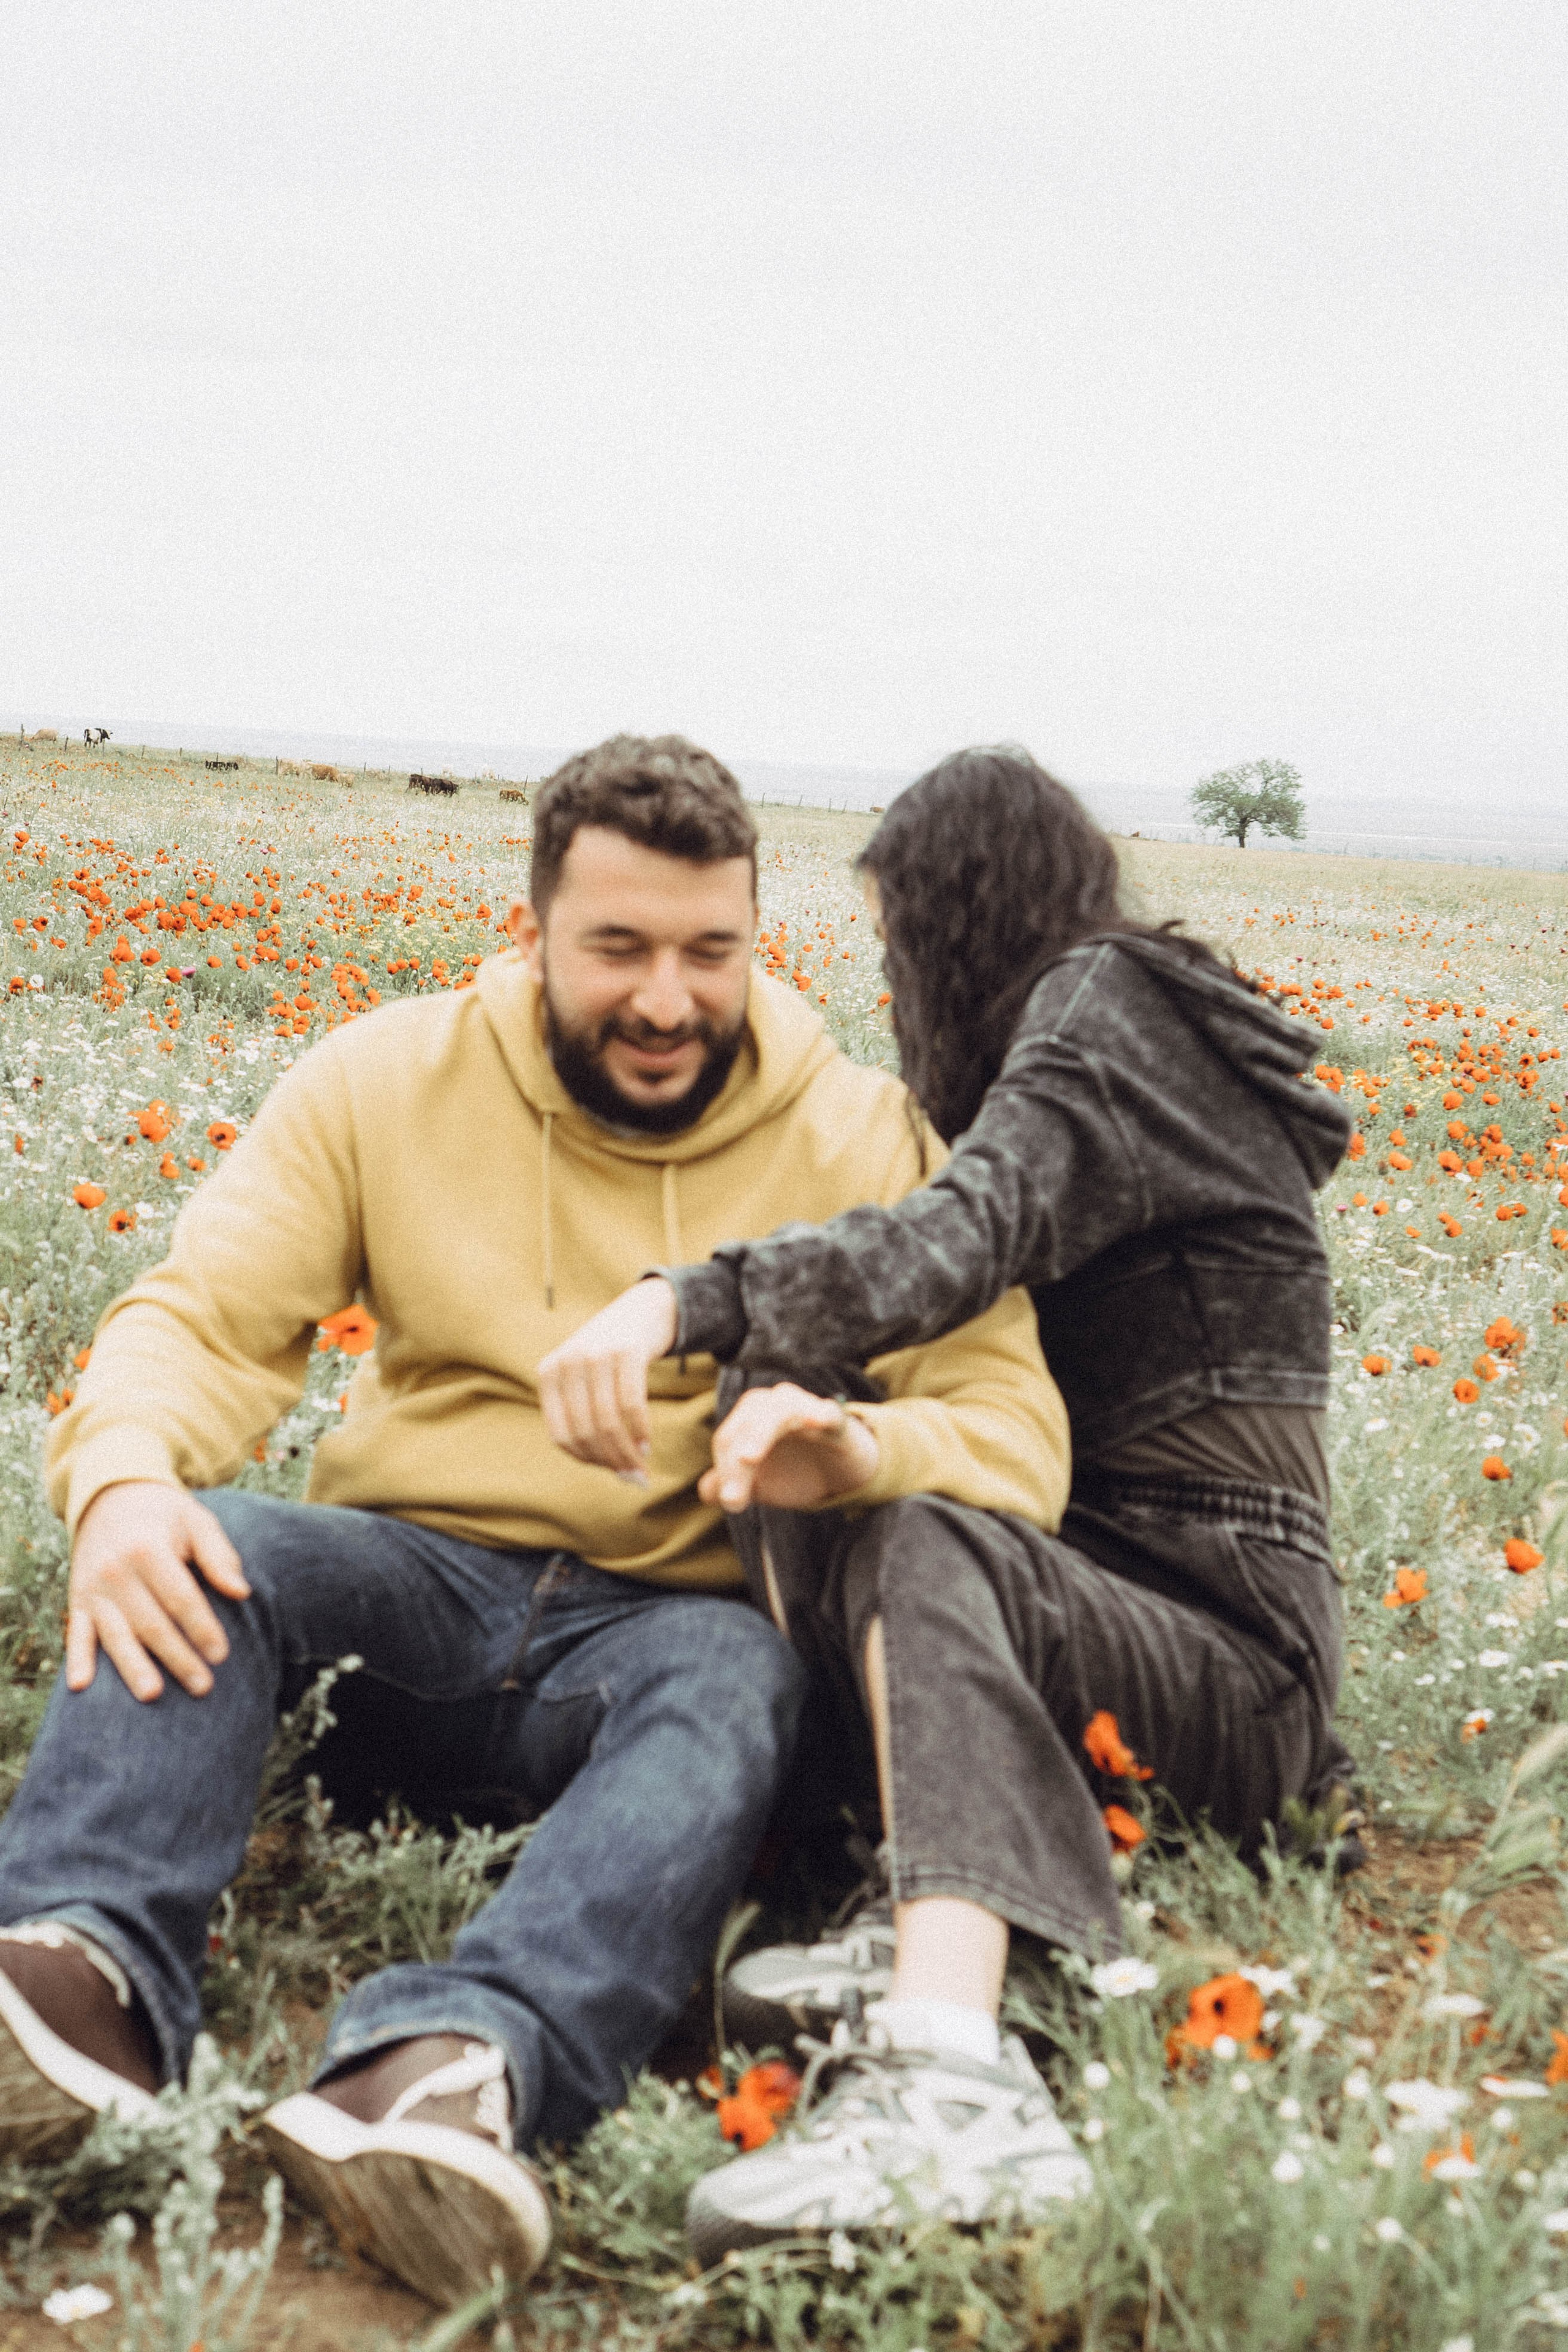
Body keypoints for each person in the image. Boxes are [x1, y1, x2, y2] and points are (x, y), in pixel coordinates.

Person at [0, 735, 1075, 2310]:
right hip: (404, 1590)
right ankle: (72, 1981)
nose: (664, 999)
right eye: (617, 950)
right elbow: (206, 1320)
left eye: (709, 953)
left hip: (661, 1637)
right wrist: (124, 1478)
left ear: (755, 942)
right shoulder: (386, 1077)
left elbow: (1011, 1437)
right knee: (202, 1539)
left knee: (737, 1682)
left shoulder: (863, 1139)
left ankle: (453, 2069)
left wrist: (855, 1447)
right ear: (532, 934)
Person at [538, 746, 1358, 2260]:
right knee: (798, 1392)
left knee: (915, 1514)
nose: (893, 982)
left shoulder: (1108, 1012)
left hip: (1236, 1652)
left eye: (894, 940)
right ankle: (912, 1886)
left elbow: (957, 1237)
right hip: (1133, 1617)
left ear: (956, 909)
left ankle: (949, 2084)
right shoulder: (1106, 1026)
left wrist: (685, 1297)